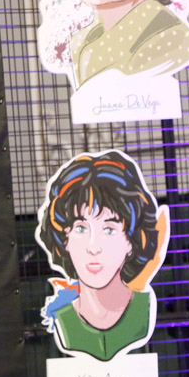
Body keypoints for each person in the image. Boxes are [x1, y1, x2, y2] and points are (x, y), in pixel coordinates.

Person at [37, 150, 168, 361]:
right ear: (64, 239)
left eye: (108, 230)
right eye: (81, 228)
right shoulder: (62, 320)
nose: (93, 247)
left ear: (131, 241)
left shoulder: (144, 310)